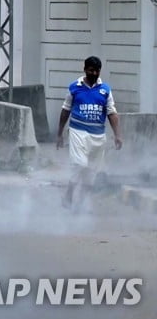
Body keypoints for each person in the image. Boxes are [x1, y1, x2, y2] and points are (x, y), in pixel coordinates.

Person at [56, 55, 123, 209]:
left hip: (98, 136)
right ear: (85, 69)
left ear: (100, 71)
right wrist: (59, 134)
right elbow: (65, 110)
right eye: (91, 70)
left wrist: (118, 135)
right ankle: (69, 194)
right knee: (80, 164)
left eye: (97, 71)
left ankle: (79, 203)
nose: (93, 74)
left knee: (91, 173)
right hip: (78, 132)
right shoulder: (74, 87)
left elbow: (112, 113)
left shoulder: (105, 90)